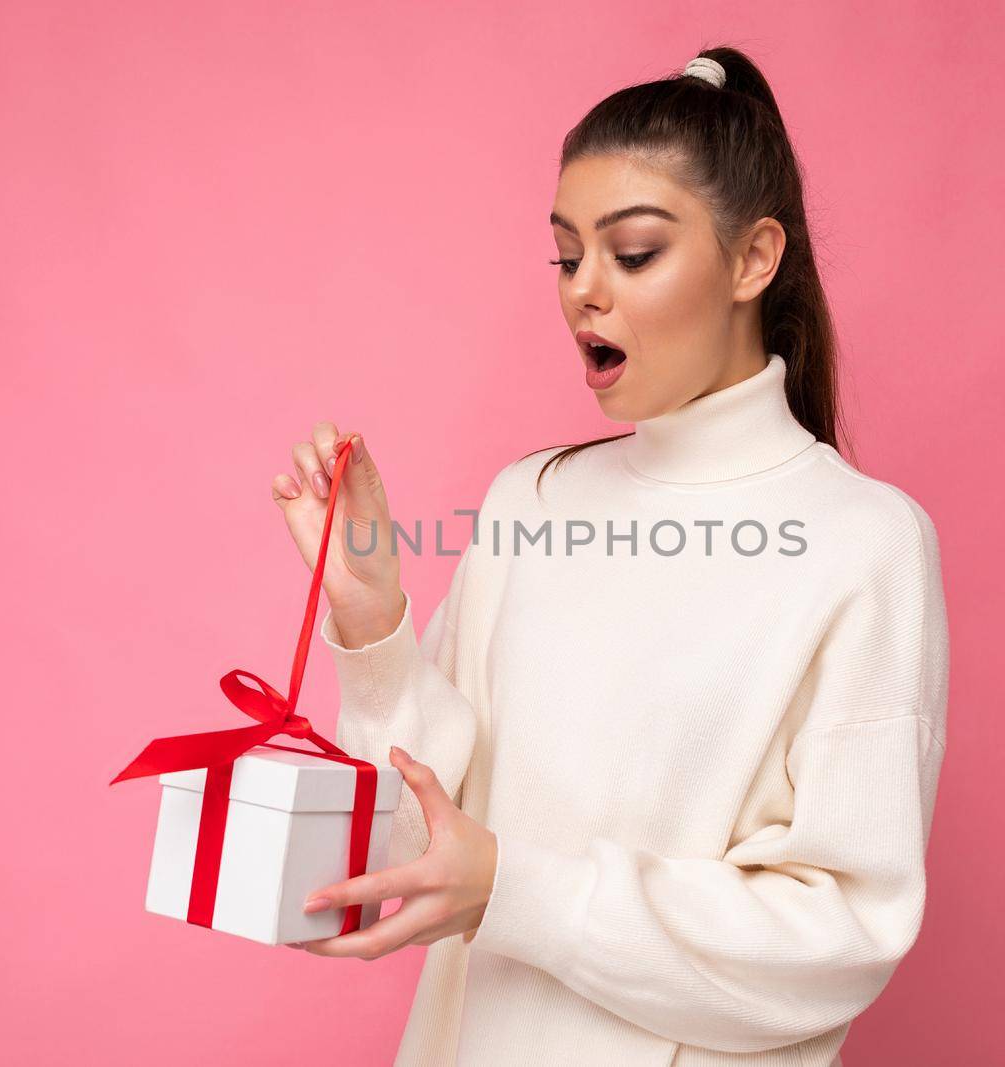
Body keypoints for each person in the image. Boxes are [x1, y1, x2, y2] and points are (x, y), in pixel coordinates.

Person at [269, 46, 949, 1067]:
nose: (583, 289)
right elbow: (413, 843)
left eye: (631, 253)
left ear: (754, 260)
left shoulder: (863, 542)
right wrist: (373, 626)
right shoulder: (532, 501)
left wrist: (514, 886)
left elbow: (842, 935)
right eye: (565, 255)